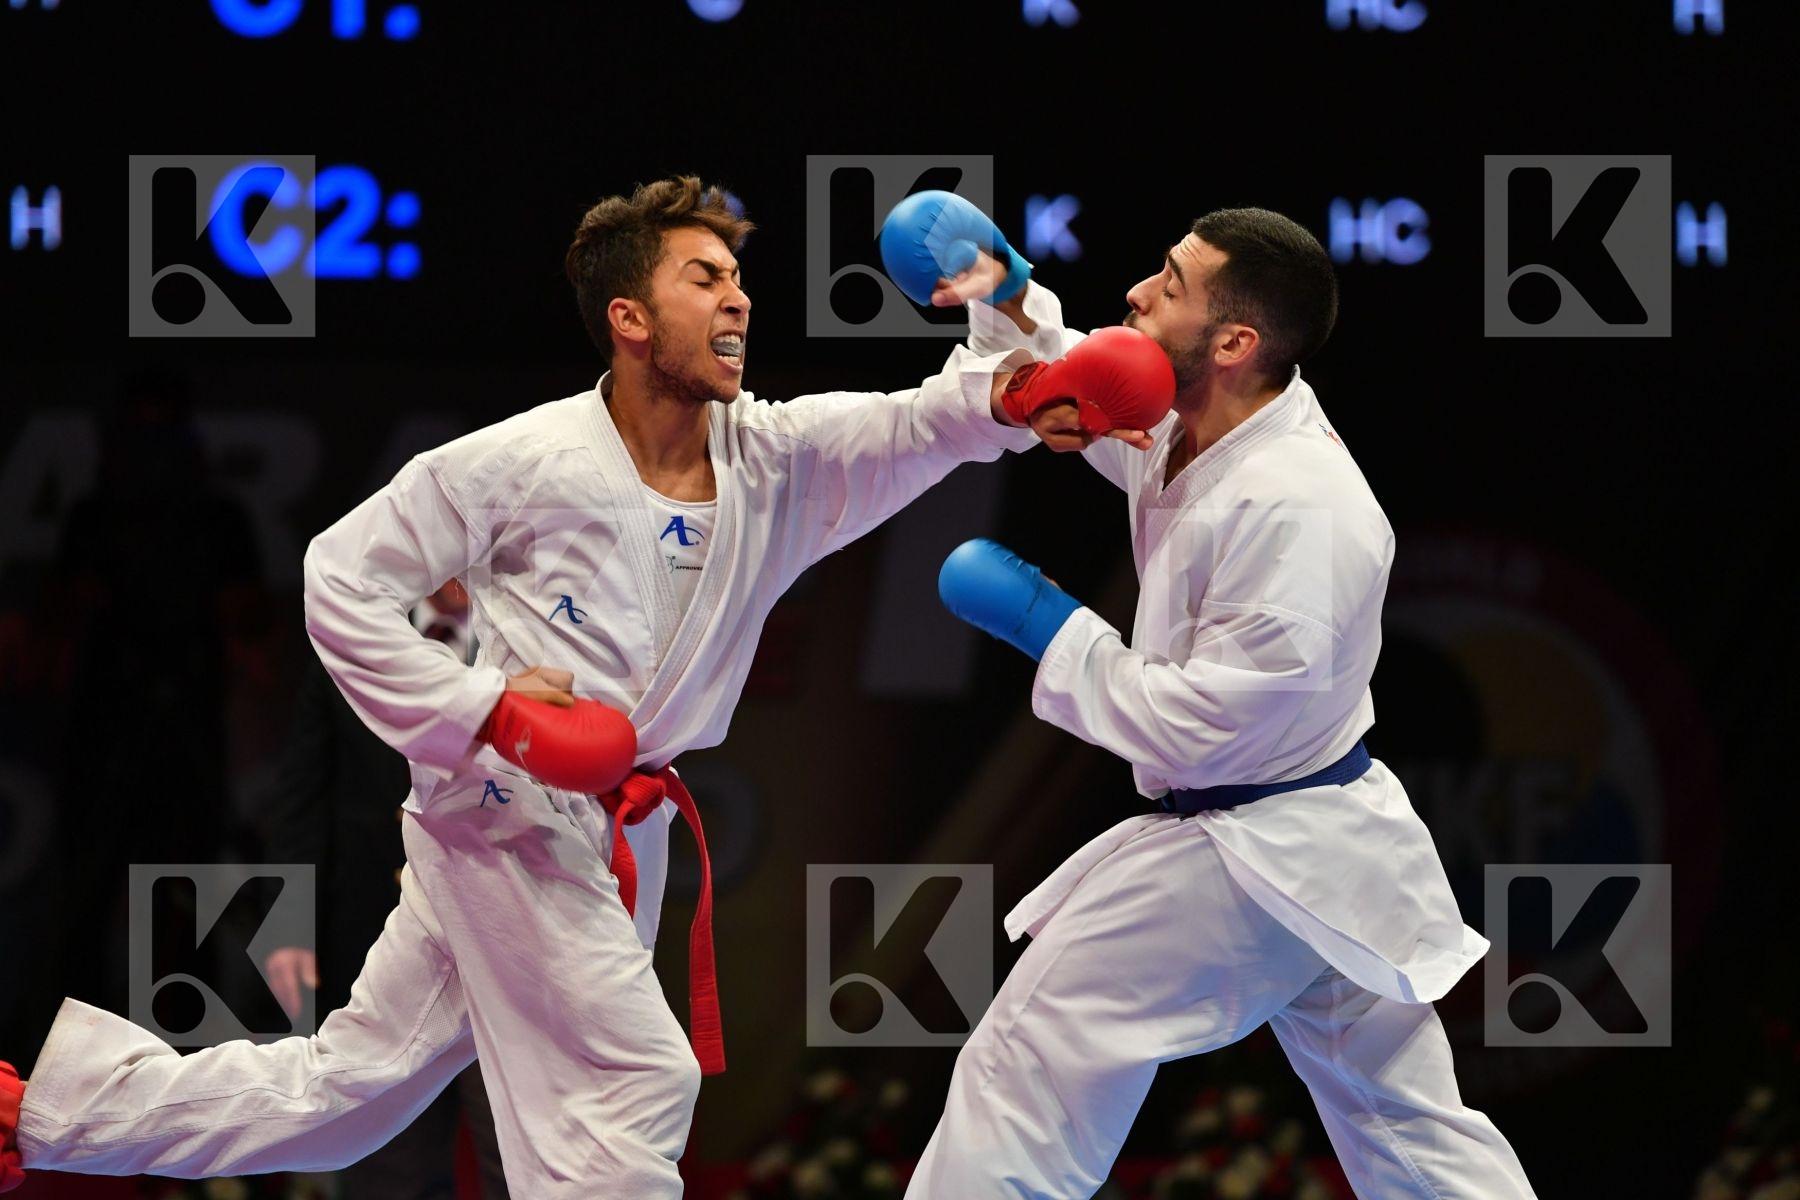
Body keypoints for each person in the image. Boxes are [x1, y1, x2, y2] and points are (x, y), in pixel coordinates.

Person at [0, 176, 1173, 1197]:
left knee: (352, 1089)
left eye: (738, 280)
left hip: (623, 822)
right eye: (704, 277)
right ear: (628, 317)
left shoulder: (778, 461)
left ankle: (37, 1117)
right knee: (634, 1078)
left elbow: (943, 420)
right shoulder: (523, 462)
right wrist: (489, 713)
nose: (739, 299)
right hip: (505, 806)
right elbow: (339, 579)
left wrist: (1012, 327)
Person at [910, 203, 1539, 1197]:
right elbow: (1088, 377)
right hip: (1316, 852)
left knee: (1030, 1064)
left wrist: (1048, 624)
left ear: (1236, 341)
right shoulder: (1197, 419)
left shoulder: (1302, 510)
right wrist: (1009, 293)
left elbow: (1203, 730)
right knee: (1407, 1126)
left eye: (1169, 283)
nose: (1137, 293)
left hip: (1257, 847)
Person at [259, 579, 508, 1200]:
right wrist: (288, 930)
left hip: (503, 938)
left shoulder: (528, 639)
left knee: (519, 1155)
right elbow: (302, 798)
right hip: (376, 934)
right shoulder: (355, 641)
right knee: (391, 1166)